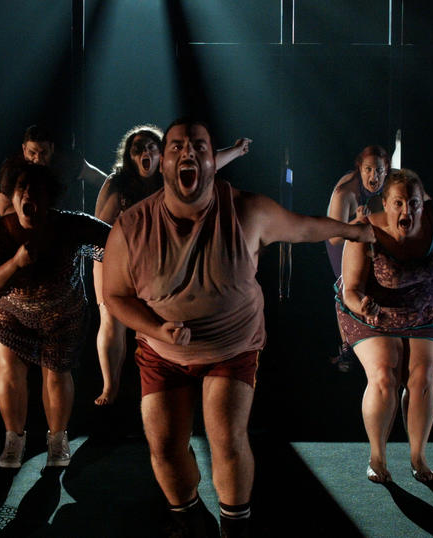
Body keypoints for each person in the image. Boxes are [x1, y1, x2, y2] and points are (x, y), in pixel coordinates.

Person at [102, 118, 373, 536]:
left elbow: (303, 227)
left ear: (214, 161)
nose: (187, 153)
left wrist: (353, 231)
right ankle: (188, 516)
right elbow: (117, 296)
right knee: (165, 446)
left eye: (198, 147)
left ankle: (236, 526)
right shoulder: (131, 226)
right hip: (163, 352)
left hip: (232, 345)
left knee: (226, 438)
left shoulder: (248, 210)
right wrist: (158, 330)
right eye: (175, 147)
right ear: (164, 163)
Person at [334, 169, 433, 483]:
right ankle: (377, 459)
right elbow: (351, 290)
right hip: (374, 312)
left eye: (415, 204)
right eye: (399, 204)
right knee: (384, 376)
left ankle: (418, 457)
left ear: (424, 202)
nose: (407, 211)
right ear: (385, 203)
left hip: (428, 310)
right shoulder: (364, 230)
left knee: (421, 380)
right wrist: (362, 306)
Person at [92, 124, 251, 405]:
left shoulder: (170, 177)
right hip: (113, 257)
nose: (145, 152)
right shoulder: (118, 182)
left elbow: (208, 165)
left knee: (161, 318)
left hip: (155, 261)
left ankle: (168, 381)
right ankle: (109, 386)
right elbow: (99, 226)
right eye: (138, 149)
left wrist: (237, 151)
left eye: (152, 147)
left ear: (161, 154)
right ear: (130, 156)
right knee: (112, 320)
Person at [0, 162, 110, 469]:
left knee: (57, 372)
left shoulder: (70, 225)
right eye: (21, 189)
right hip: (9, 314)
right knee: (9, 370)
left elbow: (115, 241)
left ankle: (58, 438)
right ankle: (14, 439)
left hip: (62, 314)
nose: (28, 195)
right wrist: (15, 262)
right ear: (14, 196)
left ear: (49, 199)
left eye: (36, 190)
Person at [326, 145, 390, 371]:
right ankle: (346, 347)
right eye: (369, 170)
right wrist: (356, 223)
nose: (374, 176)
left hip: (366, 236)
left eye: (380, 170)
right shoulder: (346, 193)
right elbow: (333, 236)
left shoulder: (389, 181)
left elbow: (422, 197)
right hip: (342, 241)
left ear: (387, 169)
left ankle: (372, 336)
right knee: (347, 287)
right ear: (360, 169)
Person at [0, 124, 107, 216]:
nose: (38, 159)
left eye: (43, 153)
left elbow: (99, 179)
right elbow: (4, 210)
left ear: (52, 148)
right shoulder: (11, 170)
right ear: (24, 149)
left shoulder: (67, 161)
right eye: (32, 153)